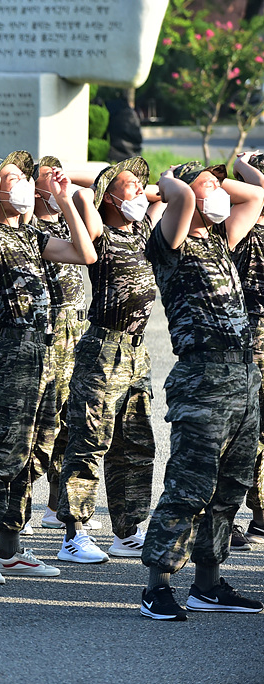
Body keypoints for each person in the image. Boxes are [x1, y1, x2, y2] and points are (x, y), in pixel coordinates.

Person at [0, 151, 95, 584]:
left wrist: (64, 196)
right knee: (0, 449)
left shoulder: (33, 236)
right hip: (14, 348)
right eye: (12, 178)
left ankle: (10, 548)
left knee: (32, 452)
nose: (20, 183)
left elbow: (85, 253)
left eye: (23, 178)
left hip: (46, 349)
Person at [139, 158, 264, 620]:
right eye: (208, 186)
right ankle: (158, 586)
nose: (217, 193)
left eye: (218, 185)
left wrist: (220, 177)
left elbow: (256, 194)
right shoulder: (169, 247)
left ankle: (208, 585)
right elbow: (186, 199)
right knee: (190, 486)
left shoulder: (219, 240)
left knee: (230, 487)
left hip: (242, 375)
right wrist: (176, 181)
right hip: (202, 377)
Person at [55, 158, 162, 564]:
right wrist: (75, 187)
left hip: (138, 349)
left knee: (135, 444)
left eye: (138, 184)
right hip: (104, 347)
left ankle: (126, 531)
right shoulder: (99, 229)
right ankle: (74, 533)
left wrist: (122, 178)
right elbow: (84, 192)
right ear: (111, 196)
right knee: (89, 441)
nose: (139, 189)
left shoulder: (145, 228)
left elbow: (163, 188)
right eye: (130, 185)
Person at [26, 156, 98, 534]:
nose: (54, 185)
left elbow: (96, 181)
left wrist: (65, 189)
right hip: (52, 329)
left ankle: (57, 507)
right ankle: (21, 512)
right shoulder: (30, 229)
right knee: (44, 423)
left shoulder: (66, 220)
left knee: (73, 421)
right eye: (45, 180)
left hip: (78, 327)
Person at [232, 152, 264, 549]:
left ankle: (260, 515)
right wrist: (245, 163)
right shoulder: (241, 224)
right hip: (250, 334)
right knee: (245, 431)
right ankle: (227, 517)